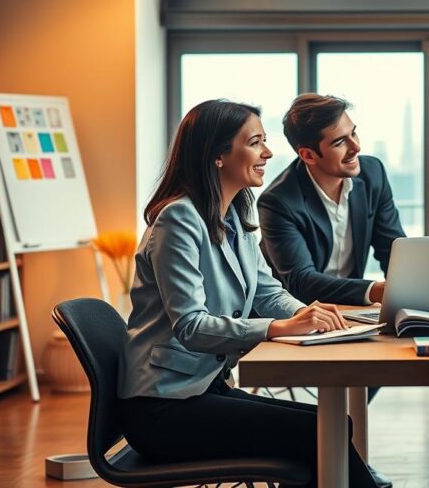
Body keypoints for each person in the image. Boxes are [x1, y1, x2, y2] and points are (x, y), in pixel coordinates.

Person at [116, 99, 378, 488]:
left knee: (332, 426)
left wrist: (310, 317)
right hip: (161, 409)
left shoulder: (233, 214)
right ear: (218, 155)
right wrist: (277, 328)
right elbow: (191, 326)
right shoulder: (179, 220)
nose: (268, 153)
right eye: (255, 142)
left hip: (203, 390)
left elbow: (269, 293)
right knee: (319, 432)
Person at [258, 93, 406, 307]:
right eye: (339, 143)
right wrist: (374, 291)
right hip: (300, 315)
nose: (355, 147)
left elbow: (393, 251)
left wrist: (414, 291)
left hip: (355, 310)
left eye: (353, 133)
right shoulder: (278, 202)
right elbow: (301, 281)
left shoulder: (373, 173)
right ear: (308, 155)